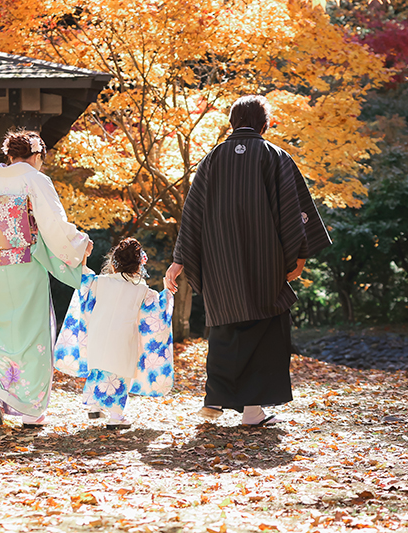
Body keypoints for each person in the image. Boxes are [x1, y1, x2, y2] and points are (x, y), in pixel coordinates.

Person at [164, 95, 331, 426]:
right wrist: (297, 256)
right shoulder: (275, 157)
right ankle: (250, 411)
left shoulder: (211, 160)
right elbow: (291, 212)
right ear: (264, 124)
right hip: (263, 262)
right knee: (266, 331)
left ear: (231, 123)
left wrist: (179, 260)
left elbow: (192, 213)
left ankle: (219, 400)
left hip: (219, 263)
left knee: (225, 327)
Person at [0, 129, 93, 428]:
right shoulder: (34, 178)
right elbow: (53, 223)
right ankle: (31, 411)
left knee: (5, 336)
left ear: (9, 154)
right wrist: (79, 243)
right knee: (36, 336)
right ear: (37, 155)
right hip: (26, 263)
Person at [53, 238, 174, 430]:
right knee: (119, 375)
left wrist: (84, 257)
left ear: (114, 263)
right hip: (123, 339)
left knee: (99, 368)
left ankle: (94, 406)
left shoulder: (100, 282)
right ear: (139, 265)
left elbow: (84, 278)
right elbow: (157, 311)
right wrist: (167, 290)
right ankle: (116, 417)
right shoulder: (141, 290)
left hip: (97, 335)